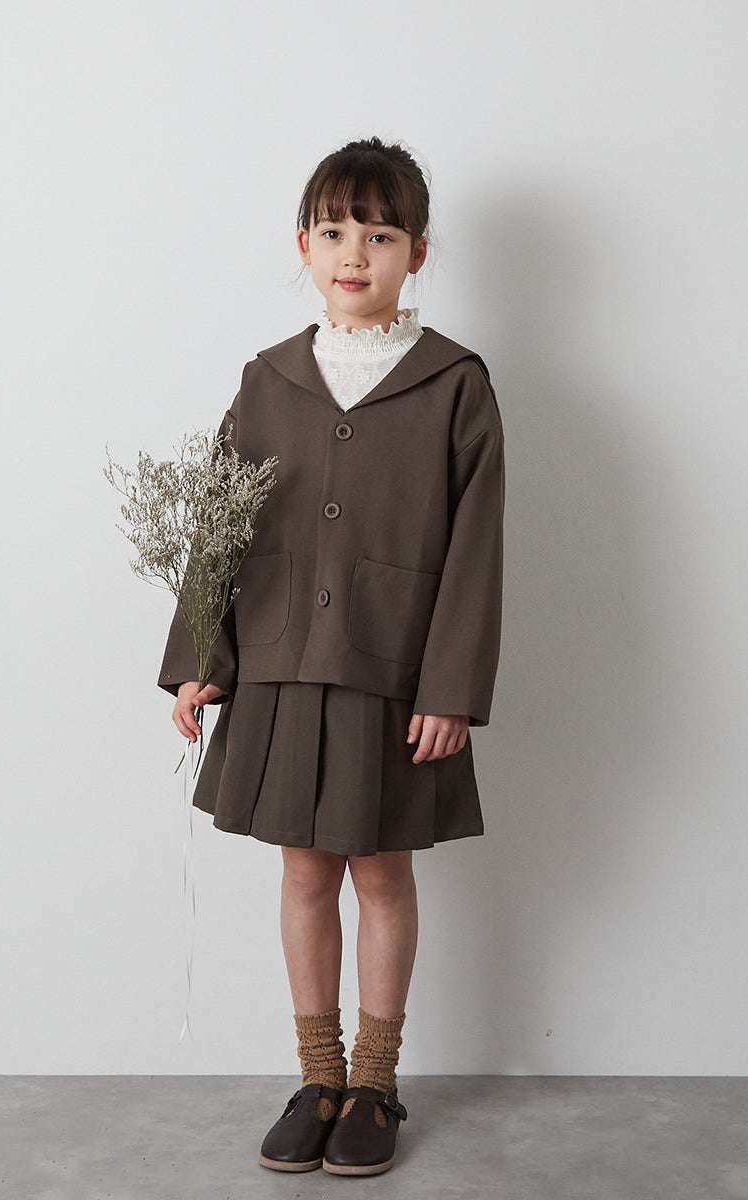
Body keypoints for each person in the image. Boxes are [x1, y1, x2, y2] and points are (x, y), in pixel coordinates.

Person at [158, 136, 504, 1176]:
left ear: (418, 252)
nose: (356, 253)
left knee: (383, 871)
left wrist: (449, 687)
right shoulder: (268, 379)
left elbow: (477, 547)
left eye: (381, 235)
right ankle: (318, 1078)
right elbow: (219, 528)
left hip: (394, 674)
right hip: (279, 662)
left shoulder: (455, 383)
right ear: (303, 244)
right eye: (335, 230)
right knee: (304, 870)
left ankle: (375, 1087)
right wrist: (201, 656)